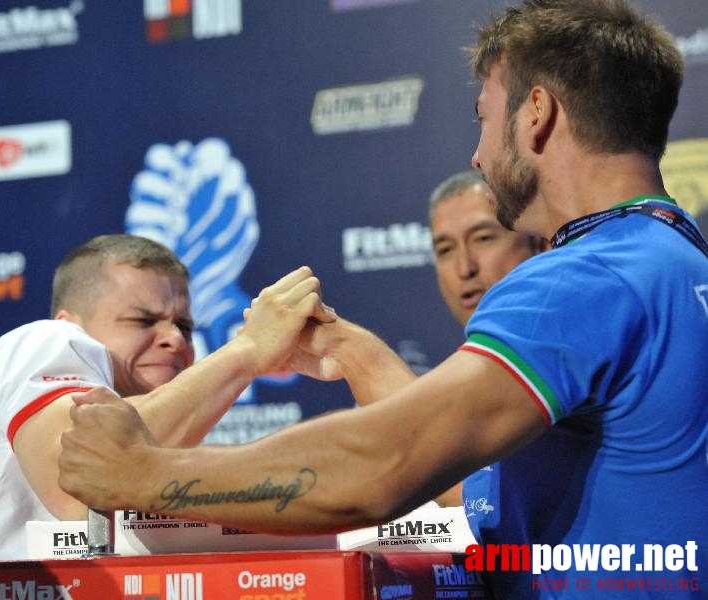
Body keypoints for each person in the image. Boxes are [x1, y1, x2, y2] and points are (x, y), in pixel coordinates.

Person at [58, 1, 708, 597]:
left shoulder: (581, 280)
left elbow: (382, 467)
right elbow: (464, 479)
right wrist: (352, 351)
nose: (477, 156)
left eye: (483, 117)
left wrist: (142, 473)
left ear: (535, 113)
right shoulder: (671, 259)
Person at [0, 234, 332, 563]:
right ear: (71, 322)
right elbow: (84, 486)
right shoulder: (44, 340)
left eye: (186, 326)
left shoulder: (162, 425)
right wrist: (248, 351)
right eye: (143, 320)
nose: (175, 339)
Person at [427, 170, 546, 511]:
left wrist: (355, 353)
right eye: (445, 249)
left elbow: (474, 499)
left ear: (538, 244)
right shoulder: (455, 374)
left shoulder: (563, 357)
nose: (465, 268)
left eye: (482, 238)